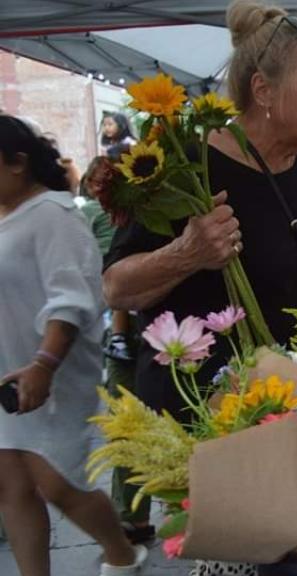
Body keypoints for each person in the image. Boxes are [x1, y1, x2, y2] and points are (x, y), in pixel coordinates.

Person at [103, 0, 297, 422]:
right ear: (263, 90)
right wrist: (186, 253)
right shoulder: (187, 166)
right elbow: (116, 288)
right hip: (210, 420)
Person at [0, 114, 146, 576]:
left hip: (52, 372)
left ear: (17, 162)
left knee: (58, 481)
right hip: (8, 369)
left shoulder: (55, 215)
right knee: (11, 485)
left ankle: (122, 553)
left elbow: (73, 297)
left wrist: (44, 363)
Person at [80, 157, 154, 544]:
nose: (99, 188)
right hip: (126, 333)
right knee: (126, 426)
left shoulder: (133, 216)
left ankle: (132, 517)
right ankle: (131, 517)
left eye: (106, 182)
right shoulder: (101, 217)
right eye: (95, 181)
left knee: (127, 424)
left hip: (141, 332)